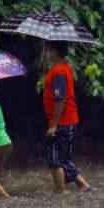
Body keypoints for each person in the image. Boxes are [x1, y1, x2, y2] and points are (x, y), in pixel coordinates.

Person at [42, 41, 90, 193]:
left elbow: (60, 99)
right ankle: (78, 185)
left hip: (62, 121)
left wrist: (54, 125)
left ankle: (60, 191)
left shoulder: (59, 72)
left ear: (55, 52)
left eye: (48, 50)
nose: (46, 54)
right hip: (65, 120)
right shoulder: (61, 68)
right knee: (60, 157)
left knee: (55, 158)